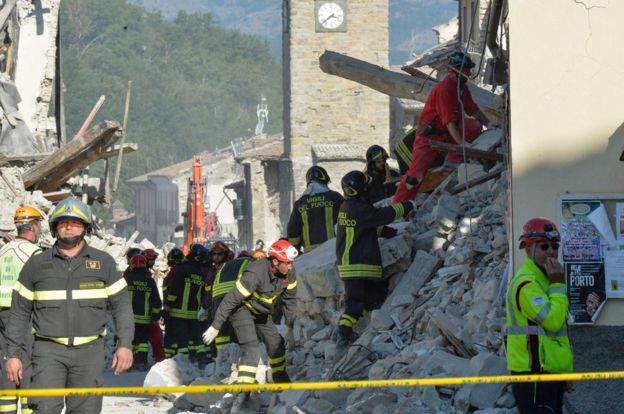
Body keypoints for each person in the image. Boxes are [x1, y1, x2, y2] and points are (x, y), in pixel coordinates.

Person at [5, 197, 134, 413]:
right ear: (55, 227)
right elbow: (19, 313)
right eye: (63, 222)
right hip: (47, 352)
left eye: (75, 222)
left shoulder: (104, 263)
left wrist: (125, 345)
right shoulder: (36, 264)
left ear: (86, 227)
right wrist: (13, 354)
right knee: (44, 409)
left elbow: (122, 307)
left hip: (89, 353)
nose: (69, 227)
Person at [202, 239, 298, 413]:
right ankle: (242, 394)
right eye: (287, 263)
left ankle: (281, 379)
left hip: (262, 312)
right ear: (275, 261)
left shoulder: (289, 274)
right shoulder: (255, 273)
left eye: (291, 263)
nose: (290, 267)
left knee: (276, 343)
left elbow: (290, 301)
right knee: (251, 349)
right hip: (242, 309)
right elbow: (231, 299)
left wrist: (290, 327)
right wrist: (216, 326)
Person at [393, 51, 493, 203]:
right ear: (459, 69)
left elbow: (473, 110)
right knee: (415, 175)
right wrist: (463, 145)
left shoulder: (461, 88)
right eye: (468, 69)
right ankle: (399, 205)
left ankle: (452, 162)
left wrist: (490, 124)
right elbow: (449, 122)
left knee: (474, 125)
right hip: (429, 137)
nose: (470, 73)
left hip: (447, 133)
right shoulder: (445, 89)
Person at [336, 171, 415, 349]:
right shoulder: (359, 209)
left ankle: (353, 329)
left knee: (369, 300)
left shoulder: (348, 207)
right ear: (360, 190)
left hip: (355, 265)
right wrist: (407, 205)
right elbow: (382, 215)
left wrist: (391, 233)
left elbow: (371, 226)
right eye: (366, 186)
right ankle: (343, 335)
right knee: (355, 304)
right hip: (358, 265)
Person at [506, 217, 572, 414]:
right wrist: (559, 284)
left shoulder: (546, 280)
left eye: (554, 246)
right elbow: (552, 322)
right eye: (544, 246)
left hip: (550, 373)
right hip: (534, 374)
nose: (551, 252)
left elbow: (558, 336)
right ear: (528, 249)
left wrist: (564, 373)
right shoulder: (527, 284)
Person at [0, 206, 44, 414]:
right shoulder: (34, 254)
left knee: (7, 361)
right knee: (27, 363)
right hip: (25, 316)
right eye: (40, 226)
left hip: (2, 316)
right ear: (34, 227)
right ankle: (29, 409)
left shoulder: (3, 251)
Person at [165, 243, 209, 368]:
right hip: (194, 313)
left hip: (178, 312)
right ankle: (201, 360)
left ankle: (184, 365)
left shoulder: (181, 269)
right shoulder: (201, 272)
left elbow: (175, 290)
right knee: (196, 338)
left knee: (182, 339)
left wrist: (168, 305)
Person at [287, 166, 344, 253]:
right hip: (333, 250)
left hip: (310, 253)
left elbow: (292, 232)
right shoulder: (335, 197)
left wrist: (297, 249)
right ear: (325, 181)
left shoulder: (299, 203)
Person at [124, 254, 162, 371]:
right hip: (144, 319)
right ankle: (141, 362)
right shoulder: (149, 281)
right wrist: (156, 315)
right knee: (142, 343)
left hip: (127, 319)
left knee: (129, 340)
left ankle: (128, 363)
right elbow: (156, 301)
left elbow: (117, 298)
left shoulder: (126, 279)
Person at [143, 248, 165, 363]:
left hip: (143, 312)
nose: (153, 262)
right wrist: (156, 314)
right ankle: (160, 360)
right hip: (146, 313)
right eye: (152, 259)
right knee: (156, 337)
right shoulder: (144, 275)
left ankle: (140, 360)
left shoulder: (144, 272)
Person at [163, 247, 185, 358]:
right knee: (179, 337)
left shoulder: (174, 273)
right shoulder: (182, 271)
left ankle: (169, 359)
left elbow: (172, 291)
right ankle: (175, 358)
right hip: (180, 310)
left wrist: (166, 308)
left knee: (170, 337)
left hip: (173, 310)